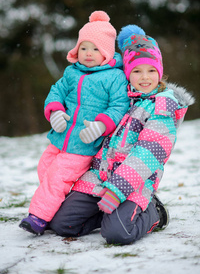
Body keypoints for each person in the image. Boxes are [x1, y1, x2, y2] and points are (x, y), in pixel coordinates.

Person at [49, 24, 194, 245]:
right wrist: (57, 111)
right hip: (99, 176)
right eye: (136, 71)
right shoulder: (120, 98)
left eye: (151, 70)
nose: (144, 77)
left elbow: (148, 154)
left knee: (118, 233)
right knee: (62, 224)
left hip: (135, 182)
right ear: (127, 72)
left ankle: (154, 212)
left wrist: (117, 191)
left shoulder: (162, 107)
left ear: (160, 72)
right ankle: (106, 215)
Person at [19, 11, 130, 235]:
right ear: (76, 49)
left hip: (83, 144)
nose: (88, 53)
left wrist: (101, 125)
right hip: (59, 138)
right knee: (46, 169)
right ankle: (58, 208)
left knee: (58, 177)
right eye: (84, 47)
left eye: (96, 49)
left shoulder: (114, 77)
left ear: (107, 53)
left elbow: (119, 105)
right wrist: (55, 112)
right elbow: (56, 93)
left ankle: (39, 217)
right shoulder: (71, 72)